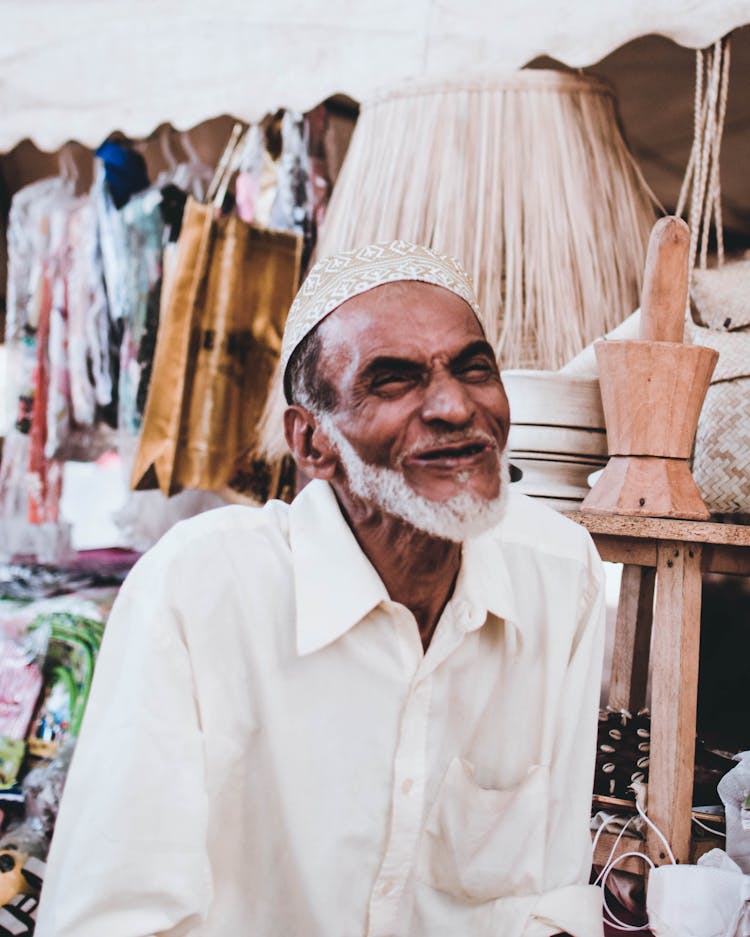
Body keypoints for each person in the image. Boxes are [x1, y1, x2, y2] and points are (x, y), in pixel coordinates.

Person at [36, 241, 606, 937]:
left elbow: (550, 892)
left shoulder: (559, 570)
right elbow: (113, 918)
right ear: (312, 444)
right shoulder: (200, 590)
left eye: (473, 367)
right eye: (394, 381)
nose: (456, 405)